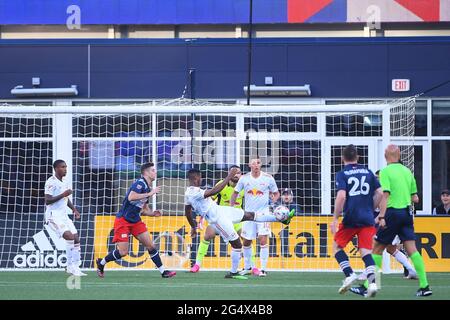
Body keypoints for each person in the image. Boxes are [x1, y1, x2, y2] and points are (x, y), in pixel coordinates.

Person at [184, 167, 294, 279]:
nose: (201, 179)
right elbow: (214, 191)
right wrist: (229, 176)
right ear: (196, 178)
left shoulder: (188, 193)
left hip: (223, 210)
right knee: (237, 244)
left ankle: (281, 219)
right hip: (218, 220)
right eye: (200, 177)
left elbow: (187, 211)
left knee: (250, 215)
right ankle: (233, 272)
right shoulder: (194, 192)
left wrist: (193, 226)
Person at [96, 162, 176, 278]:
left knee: (151, 246)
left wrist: (153, 213)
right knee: (123, 252)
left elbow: (143, 210)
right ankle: (101, 263)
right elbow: (131, 197)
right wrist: (150, 193)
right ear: (146, 173)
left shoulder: (147, 188)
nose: (155, 172)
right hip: (123, 220)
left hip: (135, 221)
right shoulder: (140, 183)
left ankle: (163, 272)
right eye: (153, 170)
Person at [372, 144, 432, 297]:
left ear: (386, 156)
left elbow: (385, 195)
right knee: (412, 250)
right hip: (406, 213)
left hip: (392, 213)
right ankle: (424, 286)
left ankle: (370, 285)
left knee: (377, 248)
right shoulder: (407, 172)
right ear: (399, 155)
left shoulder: (385, 172)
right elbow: (415, 198)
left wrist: (382, 216)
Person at [330, 145, 382, 298]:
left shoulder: (342, 173)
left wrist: (335, 219)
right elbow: (380, 193)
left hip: (351, 217)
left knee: (337, 246)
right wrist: (370, 208)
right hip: (367, 217)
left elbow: (341, 197)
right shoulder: (368, 172)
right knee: (366, 251)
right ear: (357, 157)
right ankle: (372, 283)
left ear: (342, 158)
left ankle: (349, 274)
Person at [230, 158, 281, 277]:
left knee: (263, 239)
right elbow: (235, 193)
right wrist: (231, 208)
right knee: (246, 241)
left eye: (258, 163)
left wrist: (274, 199)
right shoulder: (244, 178)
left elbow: (276, 193)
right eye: (253, 163)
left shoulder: (268, 178)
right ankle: (248, 267)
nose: (256, 165)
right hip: (248, 214)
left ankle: (263, 269)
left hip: (263, 213)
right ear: (249, 165)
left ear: (261, 165)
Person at [189, 165, 245, 273]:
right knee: (208, 235)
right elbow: (209, 200)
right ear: (229, 173)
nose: (236, 174)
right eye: (234, 172)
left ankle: (251, 266)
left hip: (236, 218)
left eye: (238, 173)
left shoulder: (244, 185)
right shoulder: (221, 184)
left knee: (246, 239)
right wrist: (202, 217)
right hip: (219, 217)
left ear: (241, 174)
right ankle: (197, 265)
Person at [44, 159, 86, 277]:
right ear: (56, 168)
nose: (65, 169)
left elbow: (66, 199)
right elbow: (47, 200)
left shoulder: (65, 182)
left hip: (63, 216)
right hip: (53, 215)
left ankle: (76, 266)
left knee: (76, 239)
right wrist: (64, 194)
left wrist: (74, 209)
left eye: (66, 167)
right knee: (69, 236)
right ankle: (69, 266)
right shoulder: (51, 182)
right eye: (62, 167)